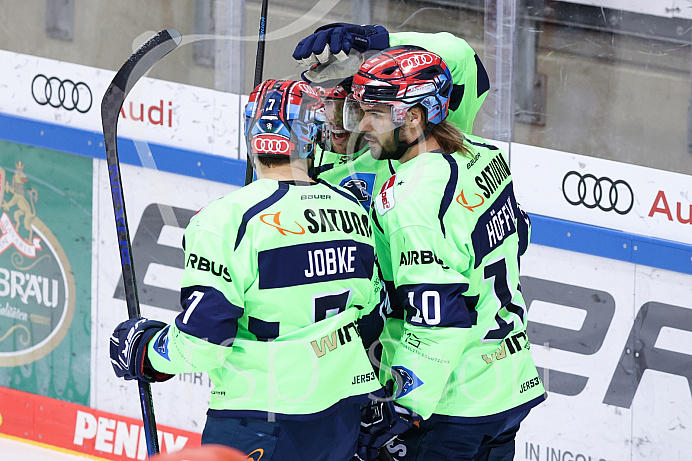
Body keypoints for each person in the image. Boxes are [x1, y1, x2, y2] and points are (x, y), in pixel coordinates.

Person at [109, 79, 390, 461]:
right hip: (339, 416)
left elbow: (203, 343)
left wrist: (146, 353)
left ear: (251, 132)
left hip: (260, 415)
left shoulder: (226, 220)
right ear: (313, 134)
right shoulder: (353, 209)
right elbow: (371, 318)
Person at [344, 46, 547, 460]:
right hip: (508, 385)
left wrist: (403, 408)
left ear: (414, 117)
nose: (363, 125)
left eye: (376, 113)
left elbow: (439, 319)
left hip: (450, 402)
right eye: (361, 110)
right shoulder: (487, 156)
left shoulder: (411, 201)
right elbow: (520, 233)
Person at [293, 24, 490, 211]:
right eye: (327, 103)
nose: (335, 119)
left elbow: (461, 55)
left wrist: (379, 45)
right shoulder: (308, 155)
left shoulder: (414, 141)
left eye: (354, 108)